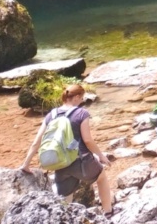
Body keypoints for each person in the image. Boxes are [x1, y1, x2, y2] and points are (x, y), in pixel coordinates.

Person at [20, 83, 113, 214]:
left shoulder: (51, 115)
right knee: (101, 177)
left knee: (66, 198)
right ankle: (108, 212)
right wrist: (101, 156)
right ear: (76, 97)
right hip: (81, 161)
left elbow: (37, 142)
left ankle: (65, 218)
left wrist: (26, 164)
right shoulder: (81, 113)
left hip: (59, 164)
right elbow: (87, 140)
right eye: (81, 98)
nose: (81, 101)